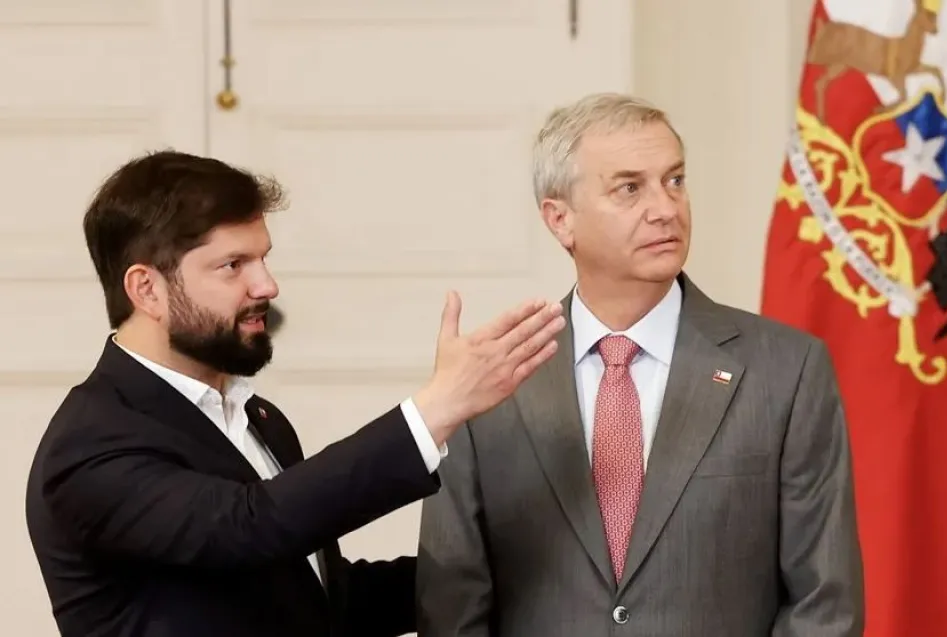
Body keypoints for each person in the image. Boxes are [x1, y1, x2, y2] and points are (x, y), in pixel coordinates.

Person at [24, 150, 565, 637]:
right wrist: (438, 409)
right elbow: (247, 527)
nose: (267, 285)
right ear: (147, 289)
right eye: (233, 265)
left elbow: (317, 600)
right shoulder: (90, 446)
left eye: (263, 258)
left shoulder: (259, 418)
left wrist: (517, 565)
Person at [416, 93, 865, 636]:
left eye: (674, 180)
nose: (666, 208)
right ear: (561, 220)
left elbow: (824, 602)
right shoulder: (491, 379)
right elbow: (452, 605)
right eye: (630, 188)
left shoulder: (786, 370)